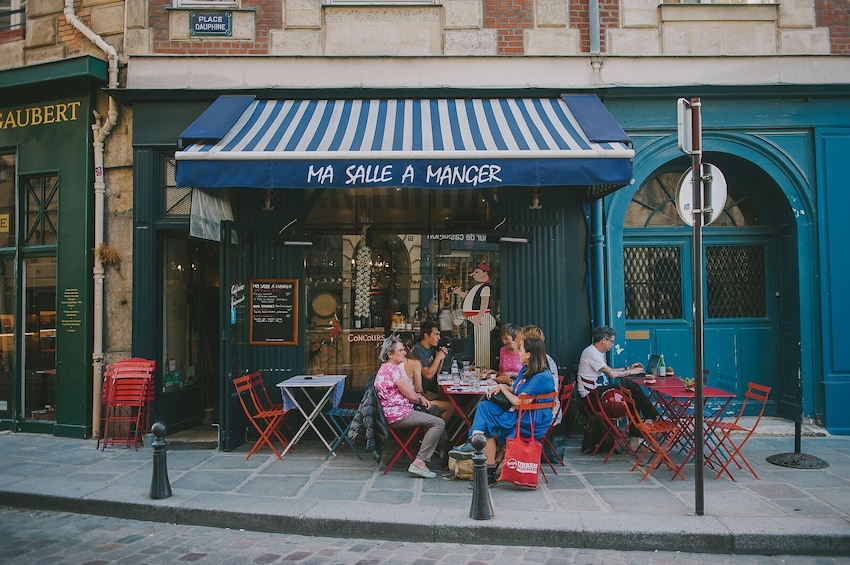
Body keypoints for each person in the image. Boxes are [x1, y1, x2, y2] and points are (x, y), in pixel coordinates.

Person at [449, 336, 556, 486]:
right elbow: (518, 389)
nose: (518, 352)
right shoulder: (527, 370)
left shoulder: (542, 377)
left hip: (529, 422)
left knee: (488, 427)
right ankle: (476, 438)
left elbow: (519, 402)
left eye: (521, 350)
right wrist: (503, 387)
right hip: (520, 415)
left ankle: (486, 468)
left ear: (529, 354)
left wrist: (504, 389)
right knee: (484, 406)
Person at [373, 335, 446, 479]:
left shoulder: (385, 368)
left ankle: (442, 448)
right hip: (398, 414)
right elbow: (412, 396)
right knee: (438, 423)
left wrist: (421, 398)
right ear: (390, 354)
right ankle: (420, 461)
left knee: (435, 410)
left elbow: (411, 395)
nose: (404, 352)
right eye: (400, 350)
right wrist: (420, 398)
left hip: (392, 411)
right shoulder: (394, 370)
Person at [577, 325, 660, 448]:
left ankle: (635, 439)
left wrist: (628, 368)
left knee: (630, 397)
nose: (612, 344)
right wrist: (632, 372)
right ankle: (653, 416)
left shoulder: (598, 353)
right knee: (630, 384)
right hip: (592, 397)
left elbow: (609, 370)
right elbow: (611, 374)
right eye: (611, 341)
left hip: (598, 392)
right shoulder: (591, 353)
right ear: (604, 340)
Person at [452, 263, 496, 369]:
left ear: (486, 274)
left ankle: (482, 367)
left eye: (477, 272)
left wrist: (479, 316)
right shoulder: (478, 287)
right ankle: (478, 365)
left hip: (480, 319)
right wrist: (459, 292)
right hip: (473, 318)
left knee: (481, 343)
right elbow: (469, 297)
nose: (473, 275)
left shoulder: (485, 288)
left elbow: (484, 303)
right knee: (477, 341)